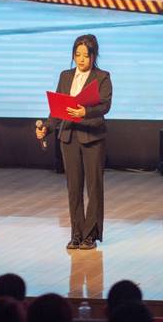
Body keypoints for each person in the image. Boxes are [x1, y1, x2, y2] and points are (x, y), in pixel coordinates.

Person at [36, 34, 113, 250]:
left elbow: (105, 106)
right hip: (68, 137)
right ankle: (77, 234)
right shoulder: (65, 76)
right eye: (77, 55)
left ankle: (91, 235)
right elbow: (57, 110)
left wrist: (84, 112)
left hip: (92, 137)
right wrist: (47, 128)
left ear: (93, 56)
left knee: (94, 187)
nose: (81, 59)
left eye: (85, 55)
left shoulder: (102, 77)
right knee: (74, 188)